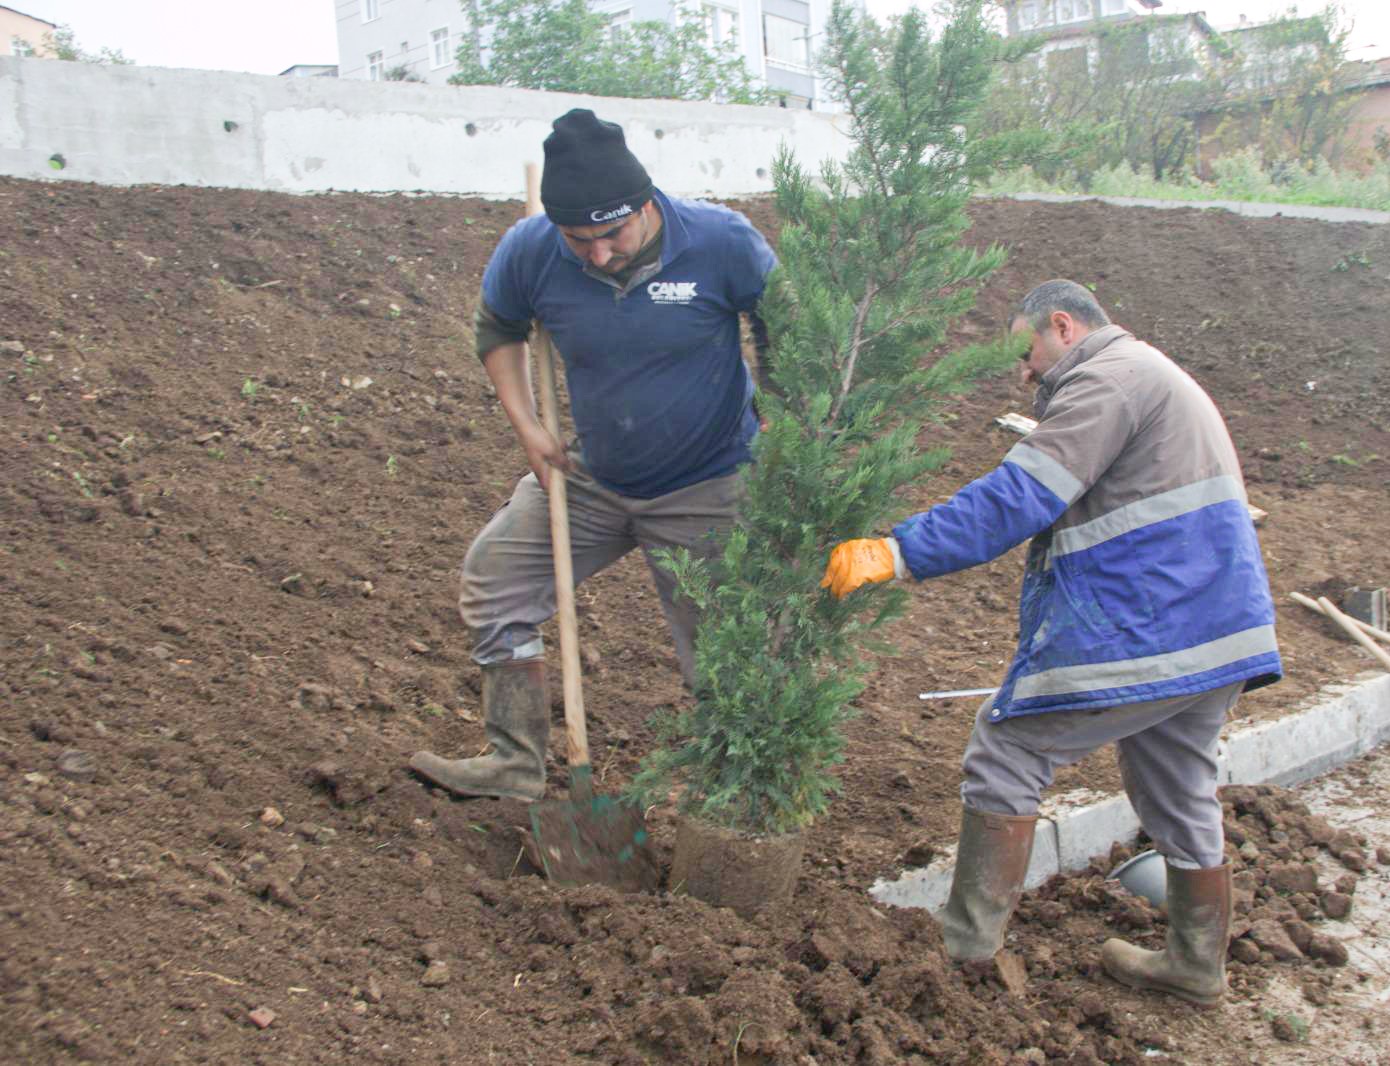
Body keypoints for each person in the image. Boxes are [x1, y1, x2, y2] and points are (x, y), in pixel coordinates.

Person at [822, 279, 1282, 1005]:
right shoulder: (1152, 373)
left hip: (1150, 624)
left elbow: (1023, 494)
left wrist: (899, 552)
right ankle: (1196, 965)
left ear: (1062, 326)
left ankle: (965, 954)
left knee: (1009, 747)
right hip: (1218, 627)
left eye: (1026, 352)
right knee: (1178, 782)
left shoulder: (1108, 380)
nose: (1024, 371)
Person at [410, 109, 776, 804]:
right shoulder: (532, 248)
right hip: (593, 477)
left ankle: (731, 796)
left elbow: (783, 322)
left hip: (711, 484)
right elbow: (498, 326)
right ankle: (515, 764)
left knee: (724, 656)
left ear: (646, 203)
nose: (599, 254)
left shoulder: (720, 241)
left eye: (614, 234)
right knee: (495, 581)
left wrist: (785, 424)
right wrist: (526, 425)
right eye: (581, 241)